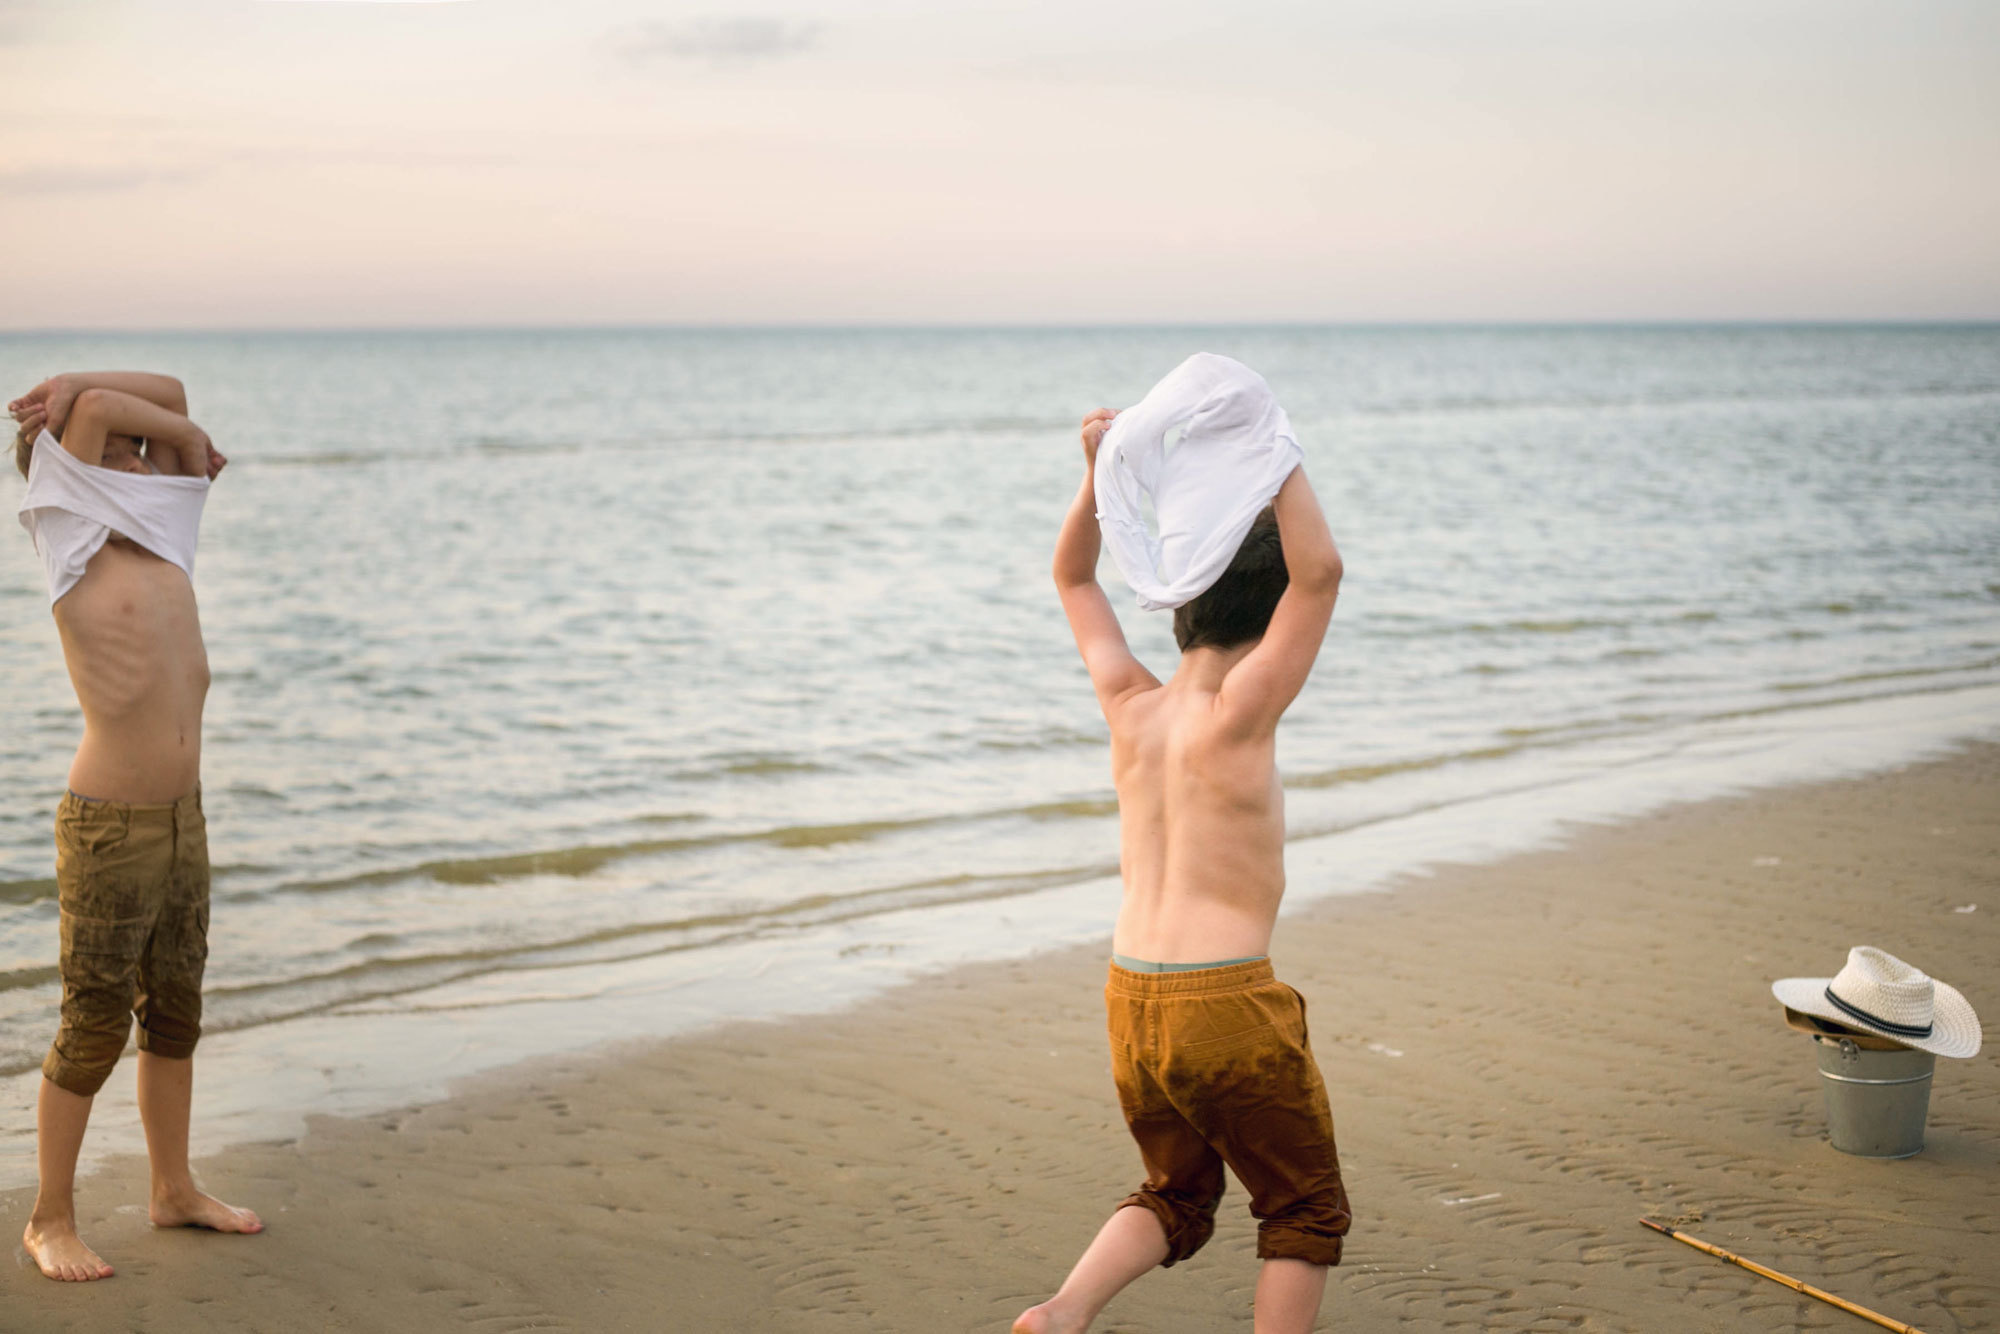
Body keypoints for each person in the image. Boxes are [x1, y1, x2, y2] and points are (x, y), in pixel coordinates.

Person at [1015, 405, 1351, 1333]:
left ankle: (1062, 1311)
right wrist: (1276, 452)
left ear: (1178, 611)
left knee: (1177, 1190)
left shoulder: (1133, 705)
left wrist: (1096, 470)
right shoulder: (1241, 709)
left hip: (1132, 998)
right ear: (1267, 616)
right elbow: (1320, 573)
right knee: (1302, 1208)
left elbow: (1072, 576)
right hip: (1224, 1002)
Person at [9, 372, 261, 1283]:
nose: (135, 458)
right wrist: (83, 399)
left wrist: (99, 397)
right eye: (113, 454)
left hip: (183, 817)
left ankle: (173, 1189)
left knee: (176, 1015)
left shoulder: (161, 531)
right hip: (110, 824)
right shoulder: (69, 535)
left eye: (138, 457)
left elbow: (172, 395)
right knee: (93, 1024)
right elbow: (118, 413)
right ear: (64, 470)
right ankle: (49, 1220)